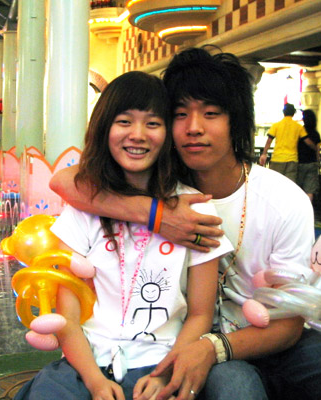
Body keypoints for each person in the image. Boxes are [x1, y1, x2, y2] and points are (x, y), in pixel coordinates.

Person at [50, 47, 321, 400]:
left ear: (235, 120)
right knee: (236, 388)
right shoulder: (159, 180)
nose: (193, 128)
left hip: (266, 336)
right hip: (187, 337)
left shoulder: (284, 201)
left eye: (211, 113)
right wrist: (156, 214)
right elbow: (63, 182)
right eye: (180, 114)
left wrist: (213, 348)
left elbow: (289, 324)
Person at [16, 71, 232, 400]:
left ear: (168, 133)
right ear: (104, 128)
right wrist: (94, 381)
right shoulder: (83, 208)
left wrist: (166, 373)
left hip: (163, 361)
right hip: (85, 364)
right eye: (124, 121)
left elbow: (201, 314)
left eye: (153, 123)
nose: (138, 135)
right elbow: (67, 316)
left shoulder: (196, 211)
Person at [259, 103, 310, 181]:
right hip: (292, 160)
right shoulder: (298, 127)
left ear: (283, 112)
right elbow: (307, 141)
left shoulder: (276, 125)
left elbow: (269, 141)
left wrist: (264, 154)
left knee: (274, 182)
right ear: (294, 113)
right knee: (289, 183)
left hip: (277, 159)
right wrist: (316, 147)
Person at [296, 109, 321, 202]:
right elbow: (318, 149)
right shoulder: (316, 133)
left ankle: (298, 207)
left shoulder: (300, 131)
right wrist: (317, 160)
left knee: (297, 188)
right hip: (312, 162)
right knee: (310, 190)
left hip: (300, 162)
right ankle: (309, 207)